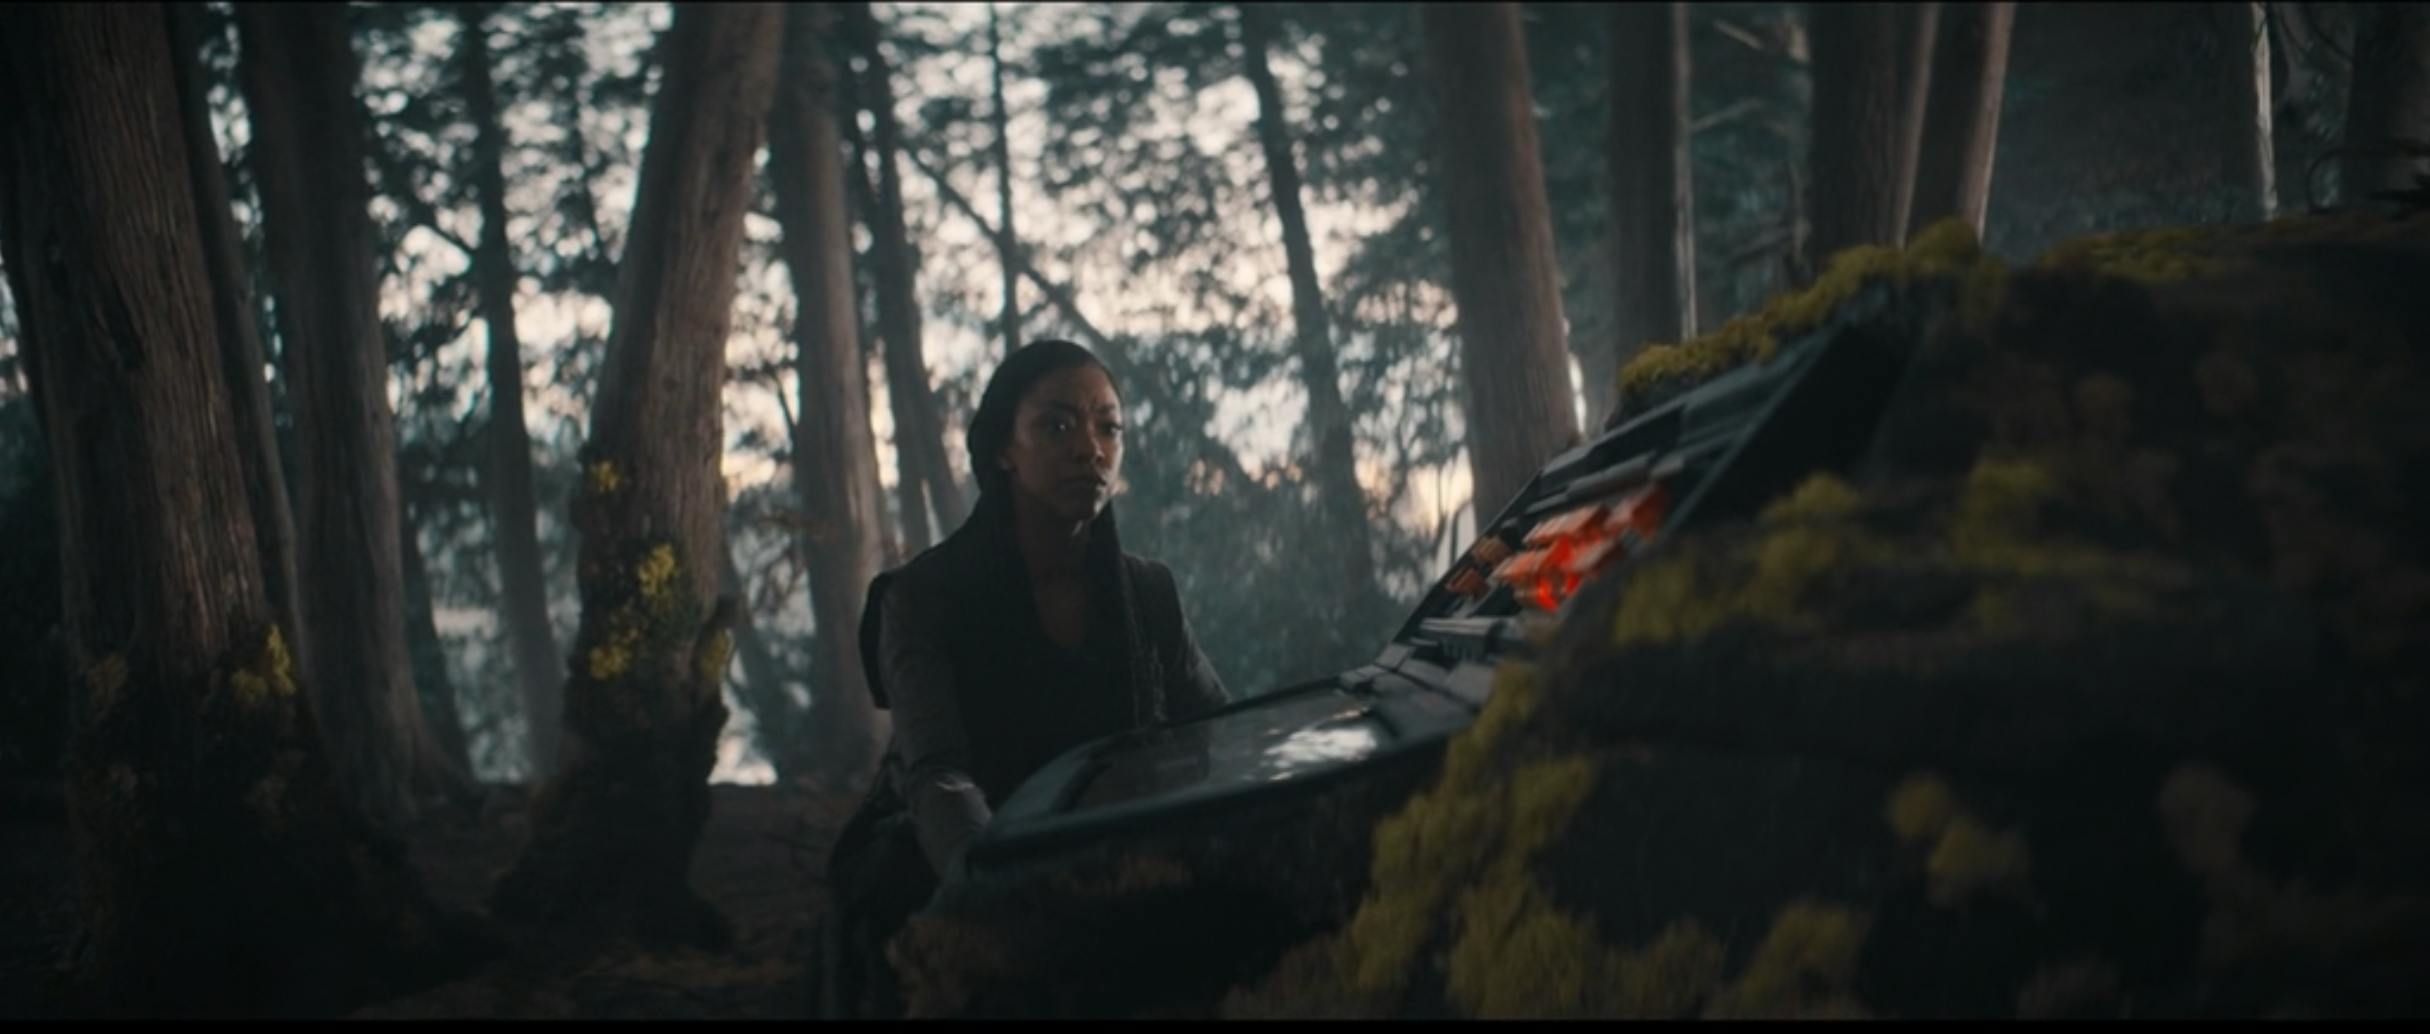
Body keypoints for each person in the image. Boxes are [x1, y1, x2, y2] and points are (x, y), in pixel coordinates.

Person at [816, 338, 1232, 1018]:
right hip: (950, 860)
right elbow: (939, 777)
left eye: (1108, 426)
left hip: (1107, 849)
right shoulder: (921, 599)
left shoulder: (1148, 592)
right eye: (1057, 425)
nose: (1089, 448)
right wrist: (1013, 894)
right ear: (1004, 449)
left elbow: (1217, 730)